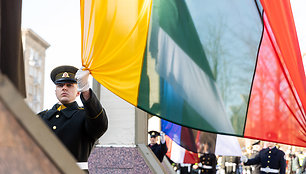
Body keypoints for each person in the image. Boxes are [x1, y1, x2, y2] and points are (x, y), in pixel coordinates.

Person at [38, 65, 108, 170]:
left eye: (70, 85)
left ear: (78, 92)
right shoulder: (41, 117)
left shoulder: (85, 116)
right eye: (60, 85)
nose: (64, 88)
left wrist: (86, 90)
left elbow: (100, 124)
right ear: (55, 91)